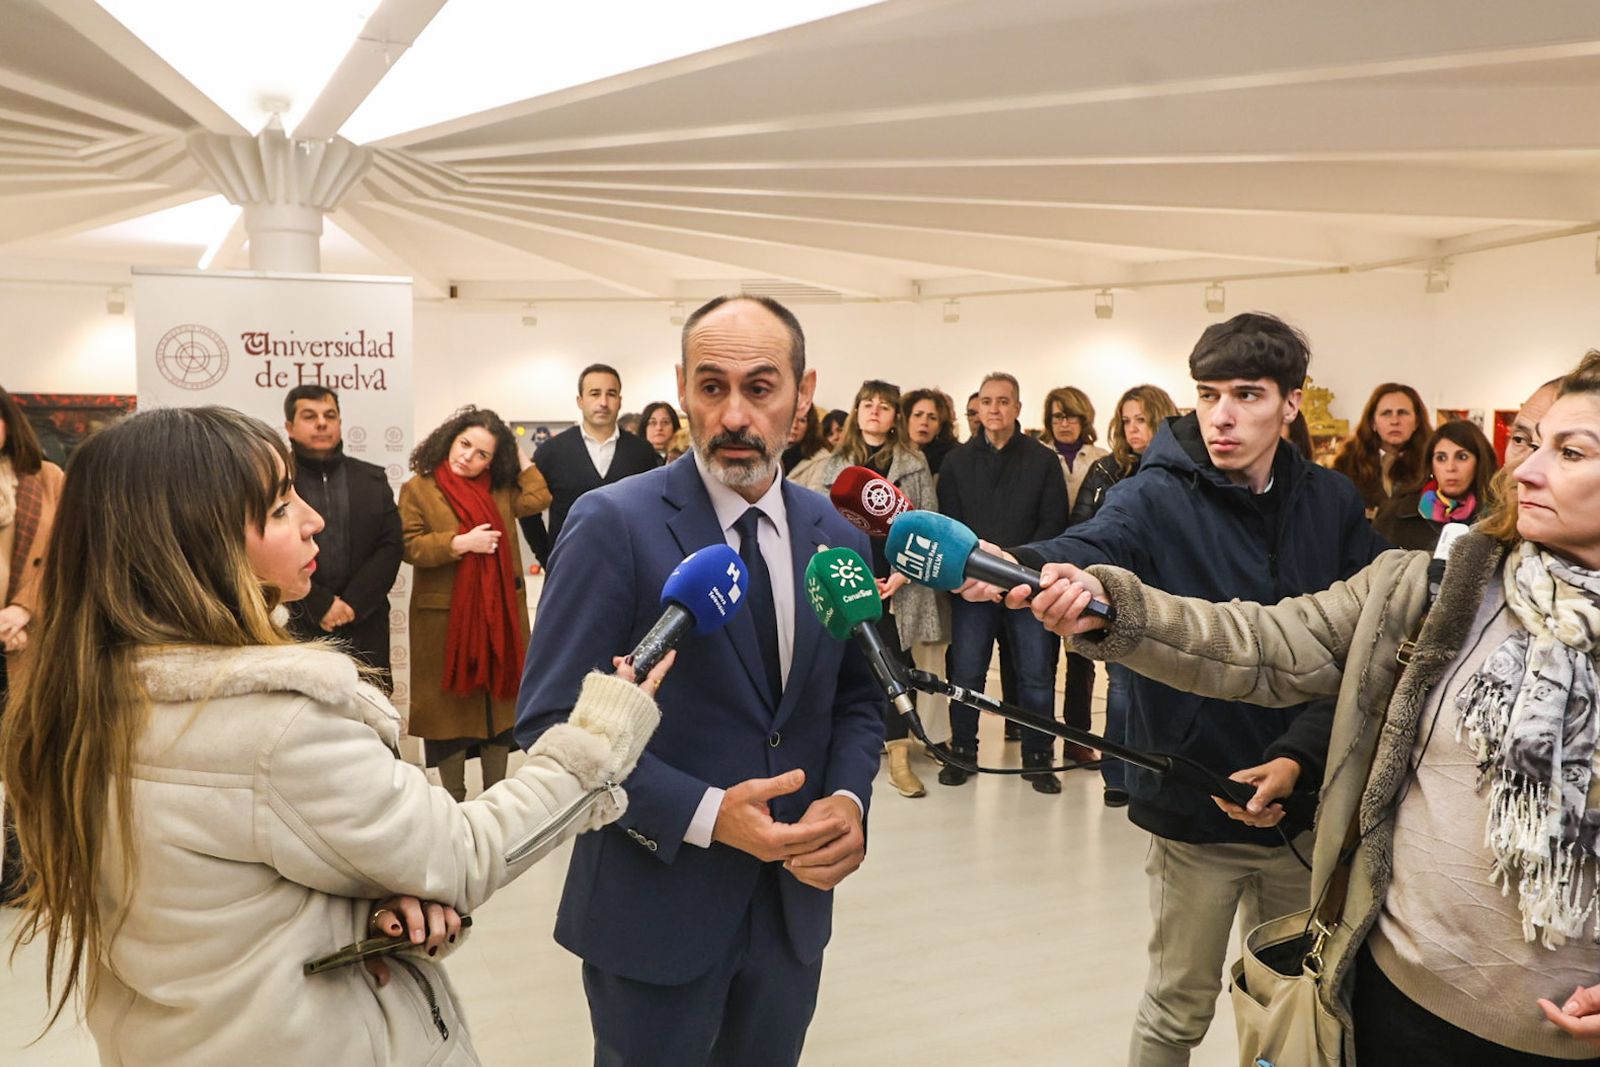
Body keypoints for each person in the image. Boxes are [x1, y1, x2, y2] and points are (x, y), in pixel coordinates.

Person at [0, 404, 669, 1065]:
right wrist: (599, 733)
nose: (314, 518)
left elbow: (223, 897)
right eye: (283, 506)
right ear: (200, 541)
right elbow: (464, 851)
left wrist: (361, 909)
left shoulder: (79, 699)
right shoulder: (278, 725)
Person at [1027, 350, 1600, 1066]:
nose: (1526, 472)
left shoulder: (1325, 500)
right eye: (1533, 442)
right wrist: (1114, 608)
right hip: (1391, 997)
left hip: (1557, 1038)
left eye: (1570, 452)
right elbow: (1260, 643)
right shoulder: (1438, 589)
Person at [990, 314, 1388, 1065]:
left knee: (1290, 1005)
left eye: (1247, 395)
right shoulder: (1156, 495)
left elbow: (1359, 646)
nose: (1223, 416)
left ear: (1292, 403)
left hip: (1299, 816)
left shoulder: (1332, 503)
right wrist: (1020, 565)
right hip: (1192, 803)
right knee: (1177, 1009)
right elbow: (1089, 547)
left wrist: (1299, 760)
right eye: (1207, 395)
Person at [516, 295, 885, 1067]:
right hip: (655, 906)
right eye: (711, 387)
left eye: (760, 386)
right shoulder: (611, 521)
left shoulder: (837, 533)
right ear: (682, 388)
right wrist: (709, 814)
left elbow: (854, 698)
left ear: (803, 392)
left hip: (790, 911)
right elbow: (552, 719)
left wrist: (849, 800)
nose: (734, 413)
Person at [400, 407, 551, 802]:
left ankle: (496, 798)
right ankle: (453, 800)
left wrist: (514, 453)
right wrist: (458, 543)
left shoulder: (498, 488)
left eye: (482, 453)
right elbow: (409, 545)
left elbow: (539, 495)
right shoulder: (418, 488)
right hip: (446, 621)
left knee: (499, 707)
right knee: (450, 711)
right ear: (450, 437)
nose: (468, 457)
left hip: (497, 615)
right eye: (465, 444)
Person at [810, 380, 949, 799]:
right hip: (848, 580)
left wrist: (902, 573)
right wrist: (849, 571)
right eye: (867, 404)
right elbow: (815, 526)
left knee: (892, 667)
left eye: (884, 406)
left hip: (896, 584)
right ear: (856, 411)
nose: (874, 411)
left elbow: (928, 521)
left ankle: (900, 756)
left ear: (895, 417)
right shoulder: (832, 464)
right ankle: (837, 752)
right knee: (843, 666)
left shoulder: (913, 463)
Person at [938, 372, 1070, 793]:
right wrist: (974, 578)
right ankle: (962, 751)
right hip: (972, 588)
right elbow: (950, 527)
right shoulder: (957, 462)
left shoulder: (1043, 460)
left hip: (1028, 586)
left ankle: (1037, 758)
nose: (994, 409)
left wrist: (1016, 573)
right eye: (987, 402)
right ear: (977, 408)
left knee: (1035, 674)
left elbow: (1054, 525)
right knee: (967, 672)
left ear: (1017, 407)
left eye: (1003, 401)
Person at [1067, 384, 1178, 807]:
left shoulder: (1180, 472)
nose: (1133, 429)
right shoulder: (1107, 471)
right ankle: (1117, 774)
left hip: (1167, 595)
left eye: (1142, 420)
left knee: (1163, 689)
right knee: (1122, 689)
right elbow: (1083, 525)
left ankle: (1156, 773)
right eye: (1127, 420)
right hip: (1115, 593)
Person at [280, 386, 403, 686]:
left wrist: (351, 605)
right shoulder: (276, 482)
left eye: (330, 415)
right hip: (297, 623)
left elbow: (390, 546)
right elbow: (270, 552)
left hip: (365, 623)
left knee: (372, 719)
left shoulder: (372, 479)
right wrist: (320, 604)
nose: (322, 423)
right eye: (310, 416)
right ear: (289, 428)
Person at [0, 387, 63, 905]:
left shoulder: (47, 478)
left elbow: (63, 555)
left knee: (27, 759)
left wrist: (23, 607)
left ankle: (25, 880)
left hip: (27, 639)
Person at [520, 364, 661, 567]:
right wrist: (547, 556)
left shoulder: (642, 453)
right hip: (567, 571)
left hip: (629, 572)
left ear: (620, 401)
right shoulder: (551, 452)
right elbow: (528, 509)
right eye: (594, 394)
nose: (603, 402)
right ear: (580, 400)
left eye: (611, 394)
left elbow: (655, 512)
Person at [1044, 386, 1110, 769]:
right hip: (1044, 560)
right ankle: (1031, 733)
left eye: (1070, 416)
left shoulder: (1101, 460)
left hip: (1088, 565)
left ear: (1084, 418)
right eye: (1056, 416)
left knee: (1081, 657)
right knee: (1039, 660)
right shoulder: (1037, 456)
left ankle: (1077, 738)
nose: (1064, 423)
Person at [1374, 419, 1499, 551]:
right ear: (1431, 465)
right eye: (1441, 458)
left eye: (1462, 457)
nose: (1450, 468)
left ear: (1479, 463)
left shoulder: (1498, 517)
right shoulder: (1394, 514)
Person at [1333, 383, 1432, 517]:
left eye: (1403, 413)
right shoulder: (1346, 464)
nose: (1395, 421)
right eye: (1386, 413)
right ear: (1373, 422)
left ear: (1417, 422)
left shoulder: (1432, 464)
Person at [904, 387, 959, 475]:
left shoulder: (953, 459)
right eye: (918, 415)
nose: (924, 422)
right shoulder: (888, 456)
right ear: (905, 420)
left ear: (940, 427)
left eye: (932, 418)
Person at [782, 403, 829, 478]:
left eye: (802, 420)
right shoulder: (769, 450)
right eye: (791, 418)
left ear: (810, 426)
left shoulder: (821, 460)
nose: (794, 425)